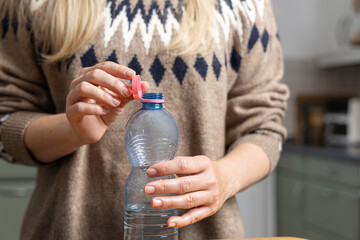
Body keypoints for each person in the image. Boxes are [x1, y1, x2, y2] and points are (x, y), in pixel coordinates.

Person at [0, 0, 289, 239]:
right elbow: (7, 120)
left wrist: (225, 177)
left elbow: (264, 128)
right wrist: (72, 130)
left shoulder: (245, 6)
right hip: (66, 229)